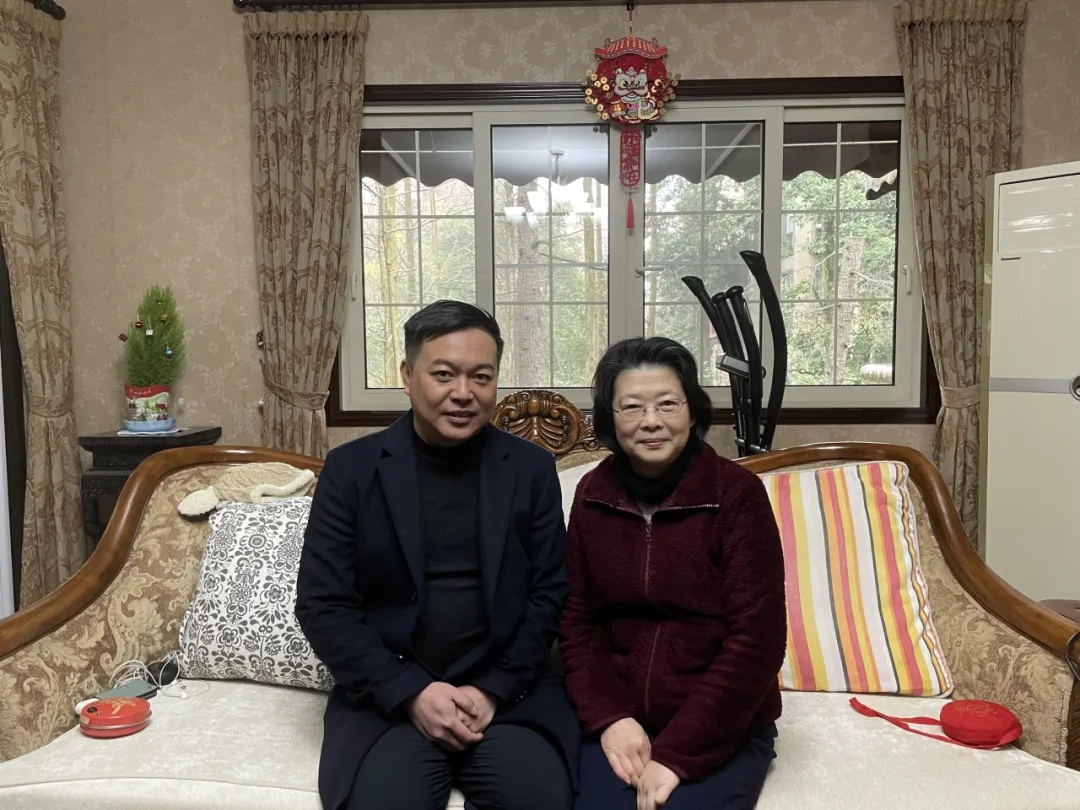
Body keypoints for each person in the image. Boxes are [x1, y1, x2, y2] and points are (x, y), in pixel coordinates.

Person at [296, 300, 578, 810]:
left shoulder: (531, 469)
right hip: (392, 696)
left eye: (481, 377)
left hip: (505, 697)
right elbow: (324, 604)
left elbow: (549, 593)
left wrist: (493, 689)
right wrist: (409, 692)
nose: (463, 393)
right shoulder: (351, 470)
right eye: (444, 374)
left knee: (538, 799)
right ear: (407, 376)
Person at [559, 336, 787, 810]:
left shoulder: (736, 494)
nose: (651, 421)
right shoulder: (593, 493)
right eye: (632, 407)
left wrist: (680, 754)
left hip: (721, 722)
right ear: (610, 418)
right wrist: (608, 718)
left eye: (667, 404)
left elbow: (757, 639)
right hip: (622, 720)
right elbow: (577, 622)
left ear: (692, 410)